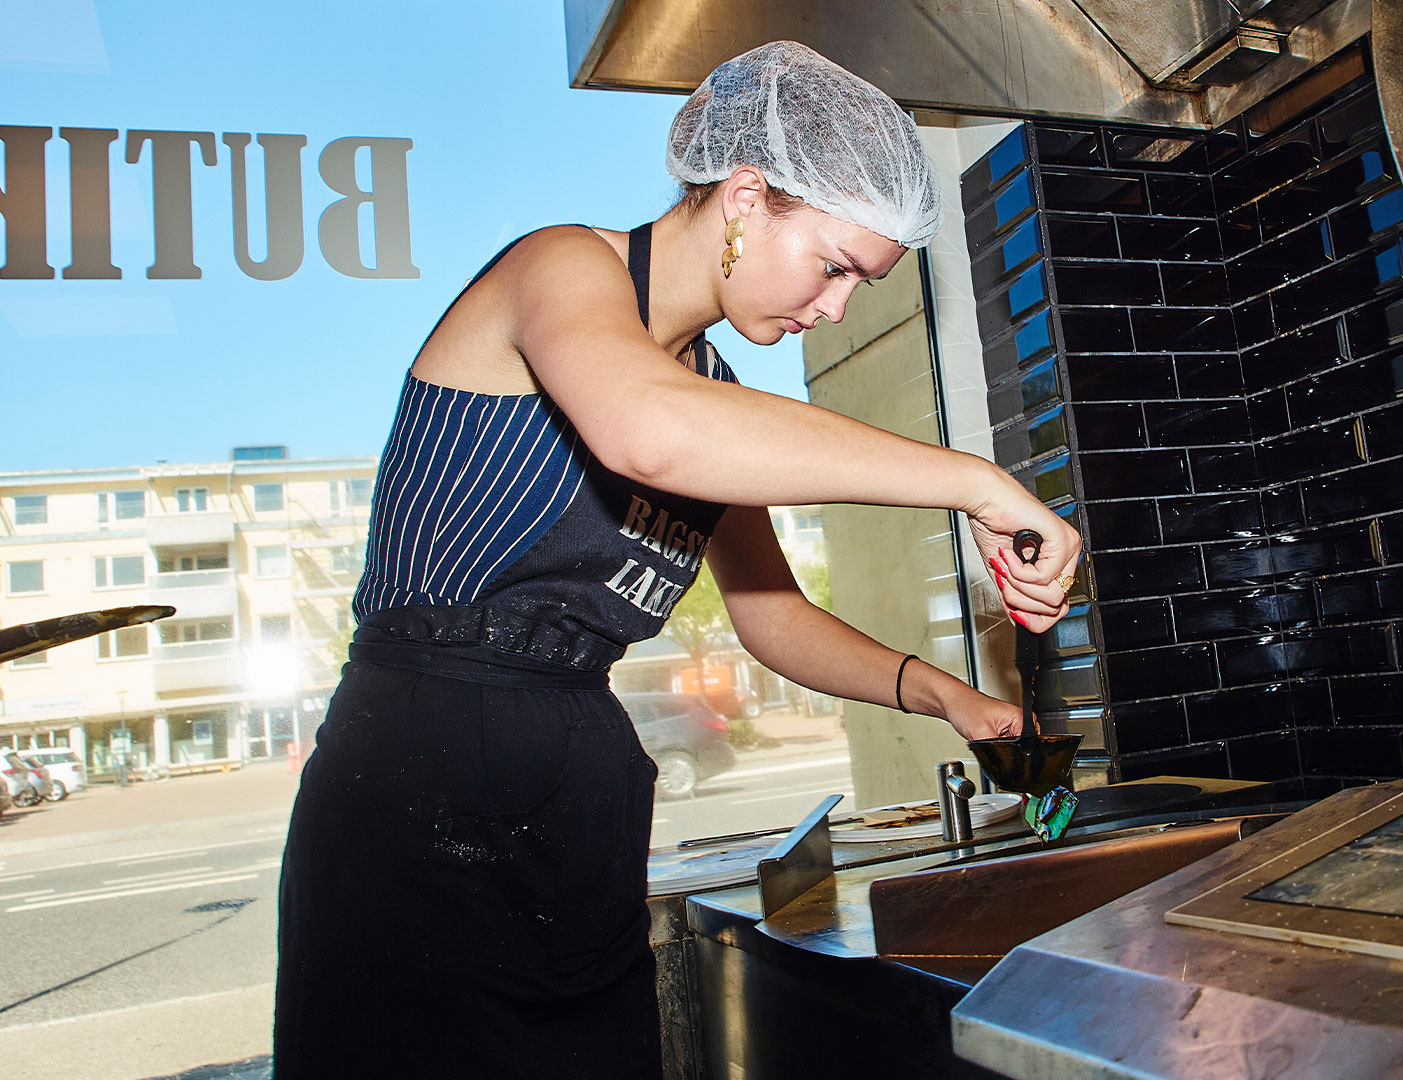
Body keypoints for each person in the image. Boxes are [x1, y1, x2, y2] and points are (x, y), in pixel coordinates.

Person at [272, 40, 1080, 1078]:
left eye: (861, 287)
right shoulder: (564, 268)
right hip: (422, 768)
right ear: (746, 196)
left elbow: (771, 615)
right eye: (835, 266)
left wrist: (953, 702)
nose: (835, 308)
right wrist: (974, 477)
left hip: (576, 786)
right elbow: (644, 431)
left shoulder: (717, 395)